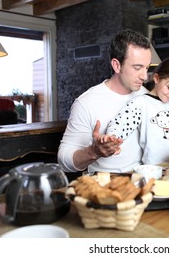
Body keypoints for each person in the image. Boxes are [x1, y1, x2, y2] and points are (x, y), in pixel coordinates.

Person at [57, 29, 152, 173]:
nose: (145, 76)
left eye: (147, 68)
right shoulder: (86, 103)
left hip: (144, 180)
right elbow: (63, 161)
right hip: (105, 186)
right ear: (116, 65)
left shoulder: (146, 96)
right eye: (137, 68)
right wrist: (93, 152)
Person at [106, 57, 169, 165]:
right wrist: (112, 139)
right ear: (156, 78)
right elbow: (120, 124)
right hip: (155, 167)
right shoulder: (141, 103)